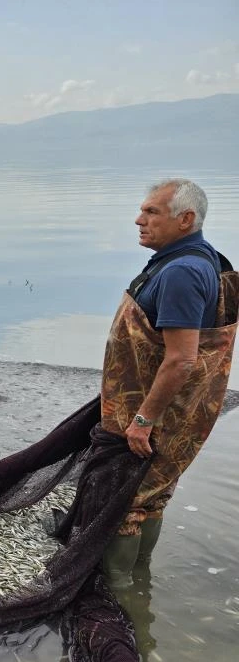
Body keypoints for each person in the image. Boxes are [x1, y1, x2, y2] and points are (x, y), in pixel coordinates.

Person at [100, 179, 238, 589]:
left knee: (126, 502)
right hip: (183, 411)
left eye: (151, 212)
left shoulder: (181, 272)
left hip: (156, 412)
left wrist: (143, 419)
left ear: (186, 219)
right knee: (153, 496)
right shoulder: (202, 259)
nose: (139, 220)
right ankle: (139, 583)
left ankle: (118, 593)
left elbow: (181, 359)